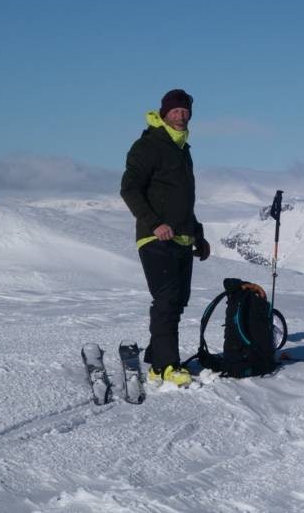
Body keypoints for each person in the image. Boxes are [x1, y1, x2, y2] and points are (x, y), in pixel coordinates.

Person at [120, 88, 210, 387]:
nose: (180, 115)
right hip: (156, 238)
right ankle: (167, 365)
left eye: (185, 111)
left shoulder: (182, 150)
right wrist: (155, 223)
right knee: (167, 301)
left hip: (182, 239)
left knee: (177, 302)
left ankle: (156, 359)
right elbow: (129, 189)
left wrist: (198, 234)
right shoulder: (149, 146)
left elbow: (182, 201)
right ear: (163, 114)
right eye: (175, 111)